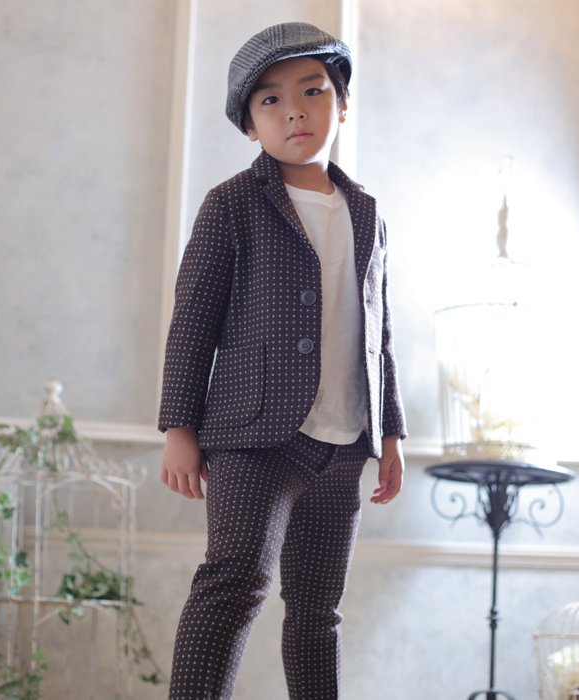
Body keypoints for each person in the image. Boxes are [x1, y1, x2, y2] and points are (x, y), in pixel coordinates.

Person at [158, 21, 407, 700]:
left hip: (344, 441)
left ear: (342, 105)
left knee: (319, 611)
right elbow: (193, 322)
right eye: (270, 100)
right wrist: (179, 427)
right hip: (254, 433)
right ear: (250, 125)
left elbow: (380, 331)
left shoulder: (368, 213)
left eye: (312, 91)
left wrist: (389, 431)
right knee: (233, 583)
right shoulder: (231, 205)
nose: (295, 110)